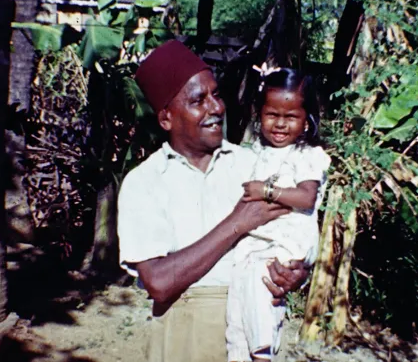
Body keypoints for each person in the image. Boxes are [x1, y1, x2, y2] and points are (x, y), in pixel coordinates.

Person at [116, 40, 309, 362]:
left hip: (251, 329)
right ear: (166, 118)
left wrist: (294, 273)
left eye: (216, 95)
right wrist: (237, 223)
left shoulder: (254, 166)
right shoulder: (145, 182)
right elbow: (159, 283)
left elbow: (289, 235)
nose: (216, 108)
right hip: (182, 332)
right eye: (198, 100)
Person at [225, 66, 330, 362]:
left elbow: (307, 197)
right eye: (272, 115)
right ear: (259, 114)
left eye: (291, 117)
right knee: (237, 309)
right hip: (255, 243)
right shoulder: (255, 152)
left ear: (306, 121)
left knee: (261, 290)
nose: (280, 124)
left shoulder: (307, 155)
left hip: (285, 243)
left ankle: (262, 356)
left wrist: (266, 192)